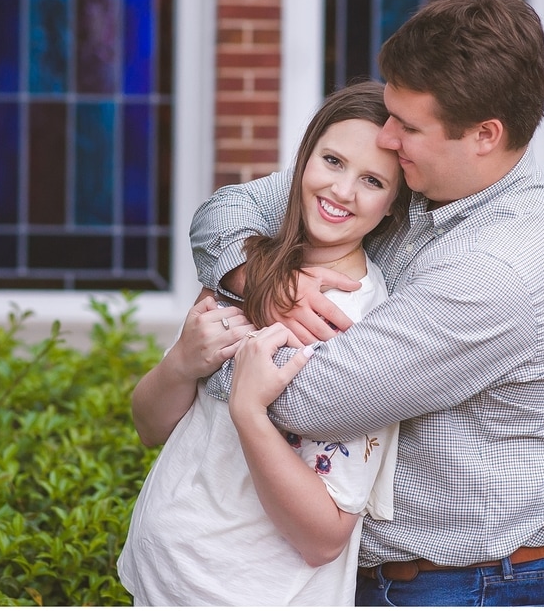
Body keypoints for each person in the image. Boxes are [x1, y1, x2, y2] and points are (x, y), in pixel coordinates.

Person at [190, 0, 544, 606]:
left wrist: (209, 349)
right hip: (373, 578)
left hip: (476, 586)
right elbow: (225, 211)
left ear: (484, 134)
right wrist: (259, 278)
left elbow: (312, 401)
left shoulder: (501, 265)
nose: (385, 135)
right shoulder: (408, 177)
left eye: (406, 124)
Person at [117, 81, 411, 605]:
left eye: (371, 179)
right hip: (159, 580)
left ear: (393, 204)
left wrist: (248, 408)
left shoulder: (365, 324)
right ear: (302, 160)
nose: (342, 190)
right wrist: (183, 363)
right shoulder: (251, 269)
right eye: (332, 160)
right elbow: (148, 424)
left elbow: (324, 537)